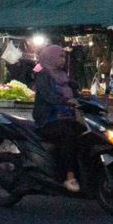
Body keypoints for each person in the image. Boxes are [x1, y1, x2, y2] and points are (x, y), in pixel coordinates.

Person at [31, 43, 81, 192]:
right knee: (68, 135)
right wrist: (66, 101)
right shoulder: (43, 74)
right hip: (47, 119)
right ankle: (69, 177)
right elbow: (47, 95)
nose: (63, 59)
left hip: (64, 117)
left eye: (64, 56)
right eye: (60, 56)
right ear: (50, 57)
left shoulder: (63, 75)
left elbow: (72, 92)